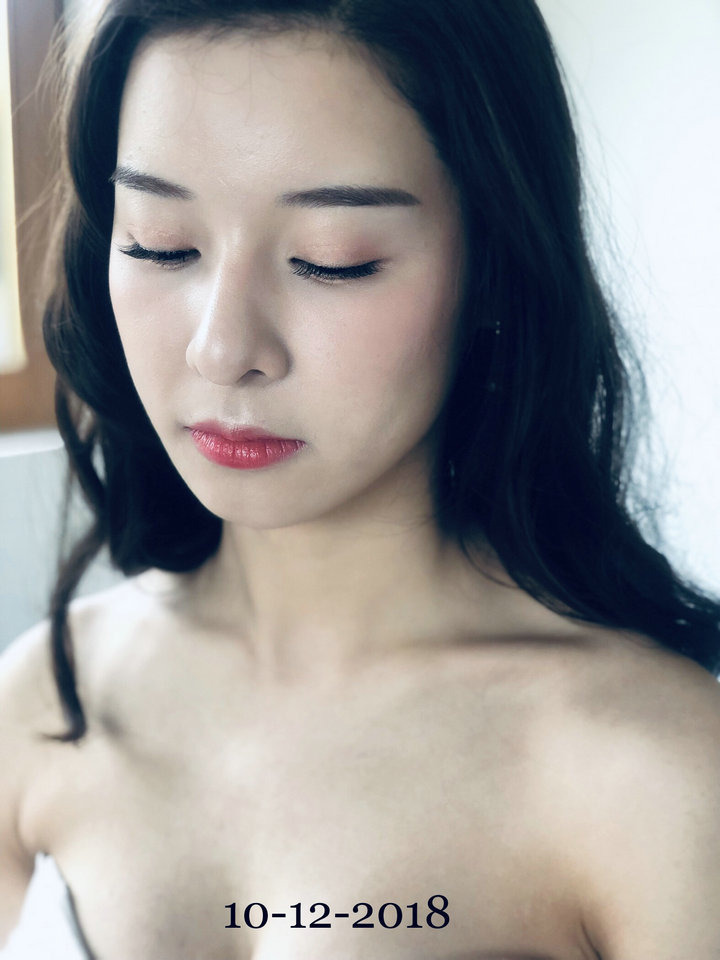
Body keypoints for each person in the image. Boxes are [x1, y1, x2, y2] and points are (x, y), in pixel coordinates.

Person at [1, 0, 720, 957]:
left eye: (331, 262)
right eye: (160, 242)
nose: (222, 348)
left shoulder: (655, 769)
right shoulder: (41, 702)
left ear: (492, 264)